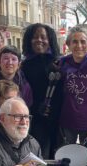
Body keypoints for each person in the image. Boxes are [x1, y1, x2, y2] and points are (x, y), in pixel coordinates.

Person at [58, 26, 87, 150]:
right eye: (75, 41)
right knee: (66, 159)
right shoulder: (62, 63)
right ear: (68, 44)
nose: (79, 45)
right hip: (67, 119)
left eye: (83, 42)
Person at [21, 23, 62, 158]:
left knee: (57, 154)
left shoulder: (59, 62)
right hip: (35, 118)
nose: (39, 40)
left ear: (49, 40)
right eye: (35, 37)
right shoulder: (24, 65)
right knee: (38, 155)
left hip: (58, 117)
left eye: (43, 37)